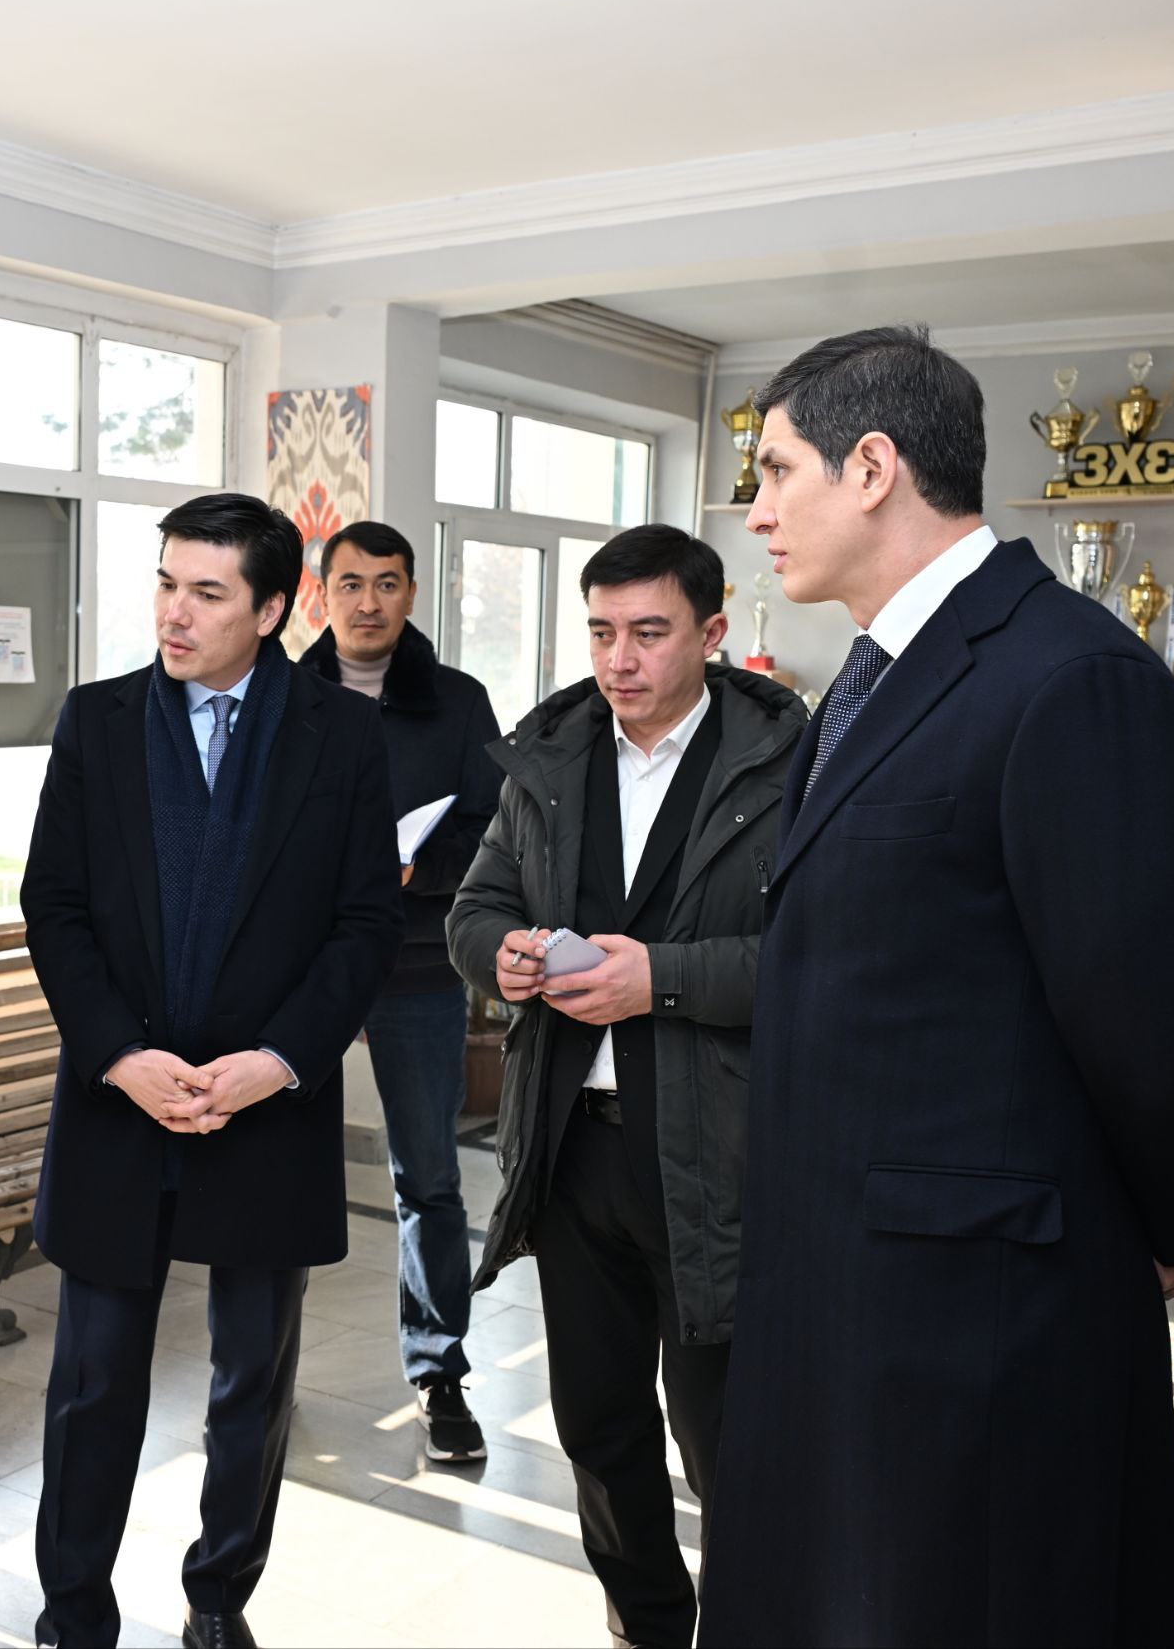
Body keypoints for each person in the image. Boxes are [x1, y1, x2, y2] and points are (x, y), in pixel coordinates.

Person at [697, 326, 1174, 1646]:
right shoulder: (874, 675)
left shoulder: (1068, 678)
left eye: (774, 471)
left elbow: (1157, 1016)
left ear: (873, 467)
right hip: (843, 1281)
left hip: (977, 1312)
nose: (756, 511)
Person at [24, 492, 402, 1649]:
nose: (172, 615)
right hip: (119, 1105)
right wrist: (116, 1056)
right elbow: (56, 906)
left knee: (250, 1383)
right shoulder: (96, 721)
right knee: (94, 1382)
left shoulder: (342, 737)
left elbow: (363, 927)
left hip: (267, 1111)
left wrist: (277, 1062)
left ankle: (217, 1600)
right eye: (164, 584)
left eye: (205, 592)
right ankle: (72, 1611)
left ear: (273, 609)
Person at [447, 525, 803, 1648]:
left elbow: (820, 961)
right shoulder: (550, 758)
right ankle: (646, 1626)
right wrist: (501, 956)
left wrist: (663, 979)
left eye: (649, 632)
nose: (619, 659)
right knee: (597, 1428)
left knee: (724, 1440)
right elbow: (474, 908)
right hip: (571, 1149)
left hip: (720, 1154)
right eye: (601, 632)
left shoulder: (788, 765)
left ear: (713, 632)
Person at [291, 520, 500, 1462]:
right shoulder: (283, 694)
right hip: (303, 966)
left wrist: (427, 865)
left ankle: (439, 1370)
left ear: (412, 592)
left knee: (430, 1176)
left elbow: (495, 825)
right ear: (320, 594)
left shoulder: (458, 701)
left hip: (418, 963)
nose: (368, 601)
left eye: (387, 583)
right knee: (278, 1170)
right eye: (350, 583)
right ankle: (260, 1364)